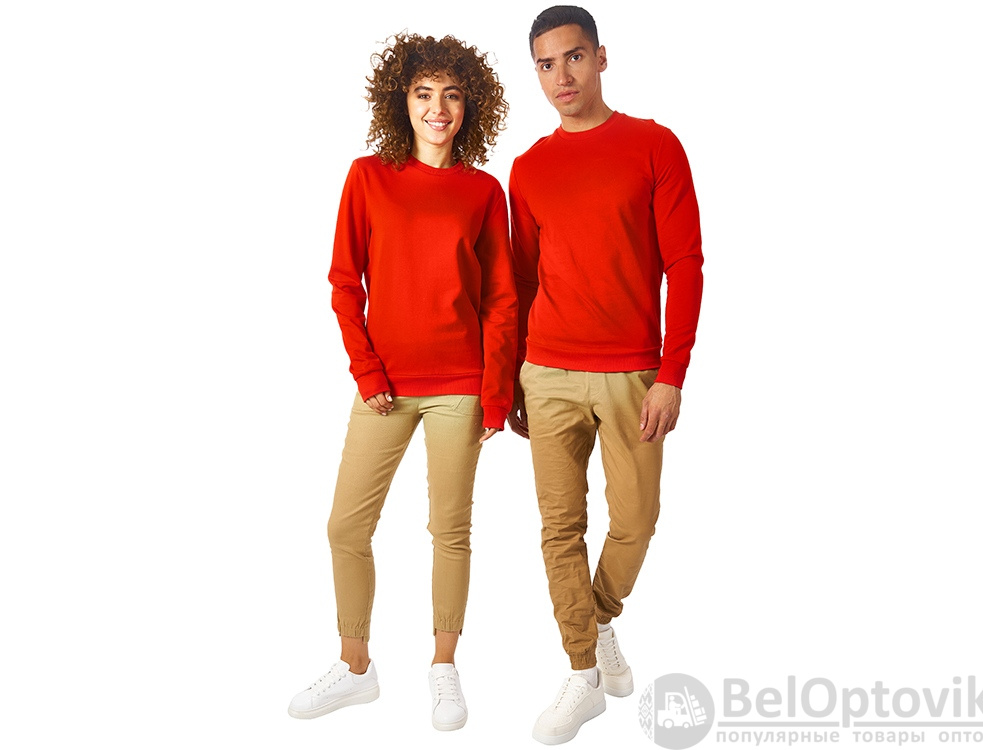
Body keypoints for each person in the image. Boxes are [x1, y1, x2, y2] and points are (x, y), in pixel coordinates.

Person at [287, 32, 517, 732]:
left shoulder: (483, 191)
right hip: (383, 384)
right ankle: (356, 667)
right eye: (423, 94)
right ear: (402, 101)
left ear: (470, 106)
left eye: (452, 95)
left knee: (450, 529)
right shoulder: (368, 177)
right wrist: (367, 370)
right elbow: (343, 283)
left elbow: (501, 301)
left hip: (460, 385)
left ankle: (444, 666)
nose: (437, 108)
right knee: (345, 526)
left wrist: (496, 393)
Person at [506, 6, 704, 744]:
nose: (561, 75)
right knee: (560, 528)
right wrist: (511, 378)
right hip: (546, 370)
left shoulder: (654, 145)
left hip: (632, 374)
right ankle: (584, 672)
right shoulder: (528, 168)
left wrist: (672, 373)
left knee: (636, 520)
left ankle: (599, 618)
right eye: (546, 64)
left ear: (601, 58)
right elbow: (520, 279)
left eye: (574, 57)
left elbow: (685, 264)